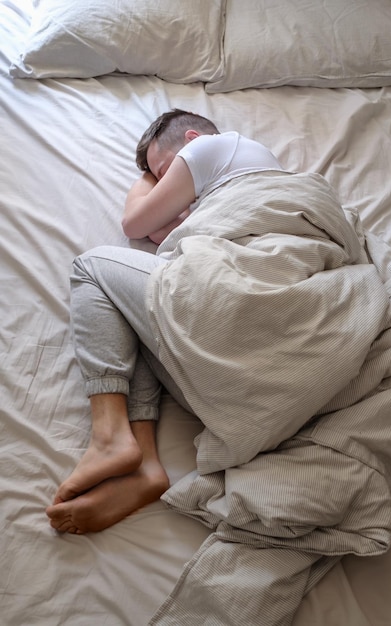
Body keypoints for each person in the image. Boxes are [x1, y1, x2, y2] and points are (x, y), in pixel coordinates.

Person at [46, 109, 284, 533]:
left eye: (162, 172)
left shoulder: (217, 145)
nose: (161, 183)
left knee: (92, 267)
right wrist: (164, 182)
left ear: (192, 139)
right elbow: (160, 234)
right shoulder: (241, 179)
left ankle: (108, 436)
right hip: (240, 375)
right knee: (131, 311)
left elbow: (136, 223)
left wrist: (151, 179)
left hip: (244, 309)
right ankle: (144, 466)